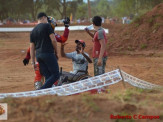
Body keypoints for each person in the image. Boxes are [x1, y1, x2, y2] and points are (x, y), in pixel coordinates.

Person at [23, 16, 70, 90]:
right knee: (53, 75)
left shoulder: (38, 33)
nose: (54, 26)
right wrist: (66, 27)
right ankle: (45, 90)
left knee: (40, 75)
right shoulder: (52, 35)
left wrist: (27, 57)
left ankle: (41, 89)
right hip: (49, 57)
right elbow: (63, 39)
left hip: (39, 58)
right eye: (53, 25)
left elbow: (31, 47)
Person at [30, 12, 59, 90]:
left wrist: (33, 61)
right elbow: (53, 40)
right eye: (46, 18)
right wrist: (56, 52)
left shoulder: (33, 30)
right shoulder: (47, 26)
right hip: (48, 53)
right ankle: (41, 90)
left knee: (48, 76)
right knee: (56, 75)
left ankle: (47, 93)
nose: (47, 20)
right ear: (43, 17)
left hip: (39, 56)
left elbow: (32, 47)